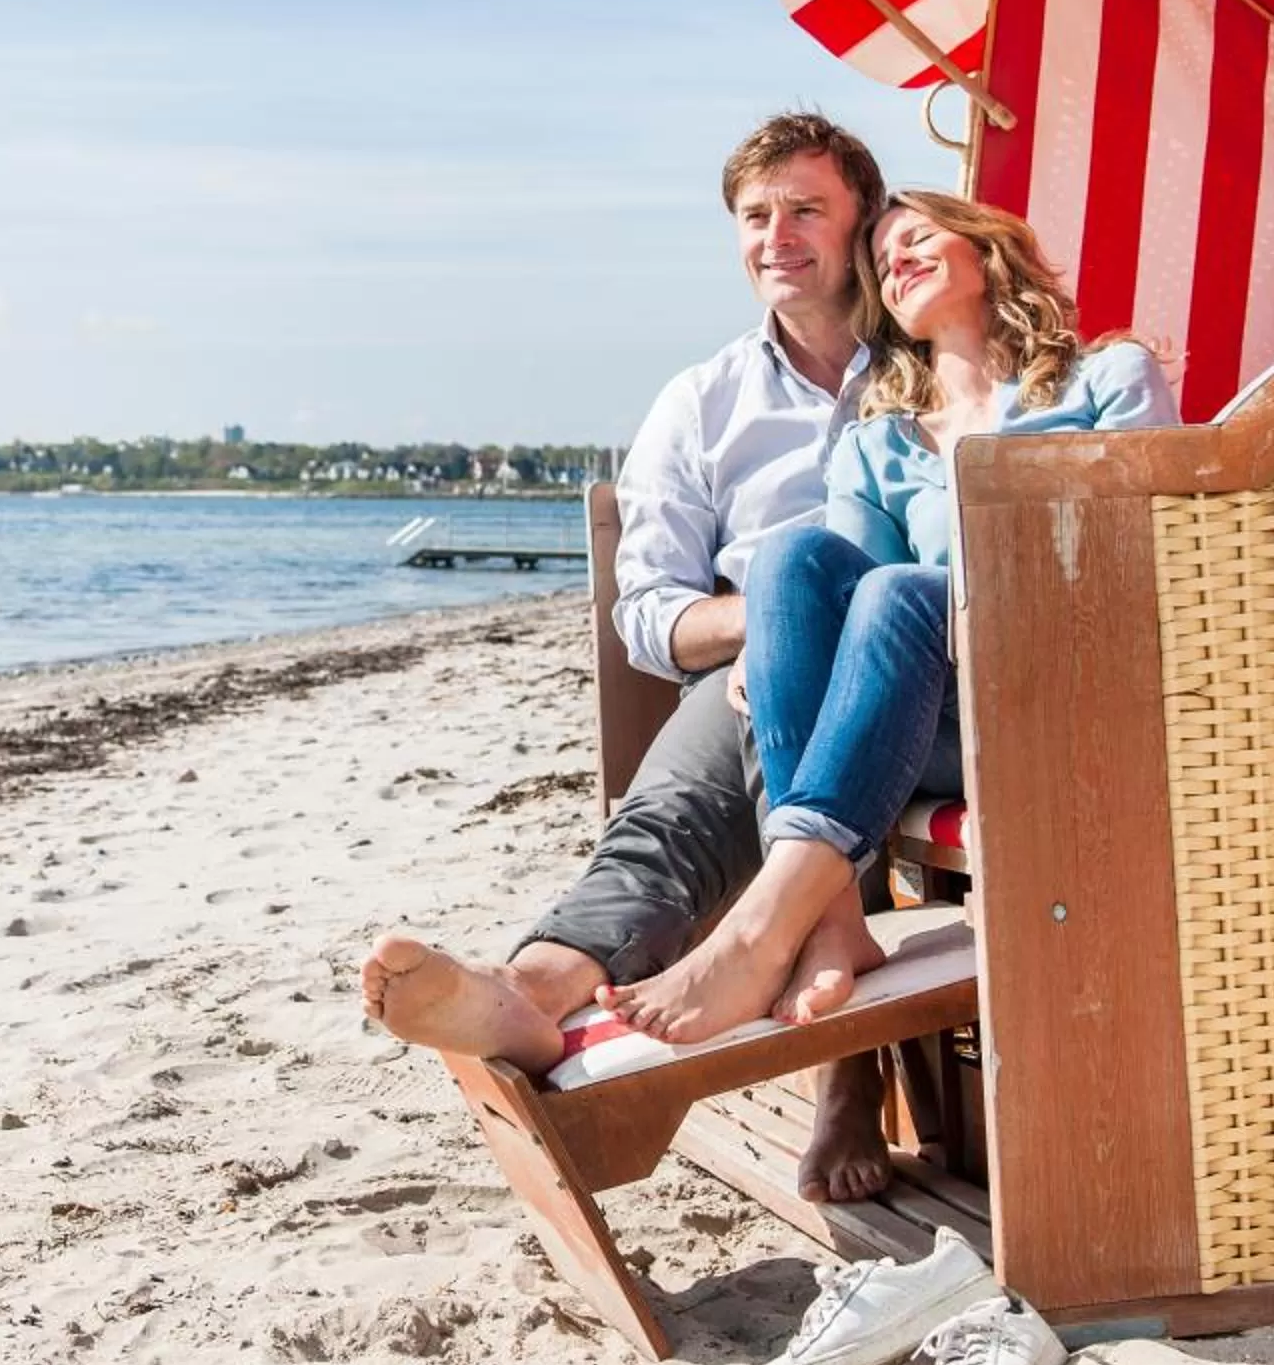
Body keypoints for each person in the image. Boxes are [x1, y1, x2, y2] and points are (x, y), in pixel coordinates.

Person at [361, 110, 905, 1205]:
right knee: (668, 819)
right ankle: (530, 986)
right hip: (753, 677)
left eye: (807, 208)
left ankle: (849, 1072)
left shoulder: (932, 361)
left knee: (839, 643)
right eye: (756, 215)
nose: (777, 235)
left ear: (863, 224)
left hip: (927, 681)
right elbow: (650, 611)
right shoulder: (702, 401)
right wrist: (774, 628)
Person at [597, 188, 1175, 1049]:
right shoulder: (876, 444)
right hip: (931, 729)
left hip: (1067, 694)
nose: (896, 260)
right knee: (795, 561)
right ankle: (830, 918)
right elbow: (843, 601)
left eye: (919, 238)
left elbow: (1156, 549)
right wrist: (770, 639)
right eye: (882, 260)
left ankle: (765, 928)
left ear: (987, 247)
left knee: (901, 589)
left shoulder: (1106, 380)